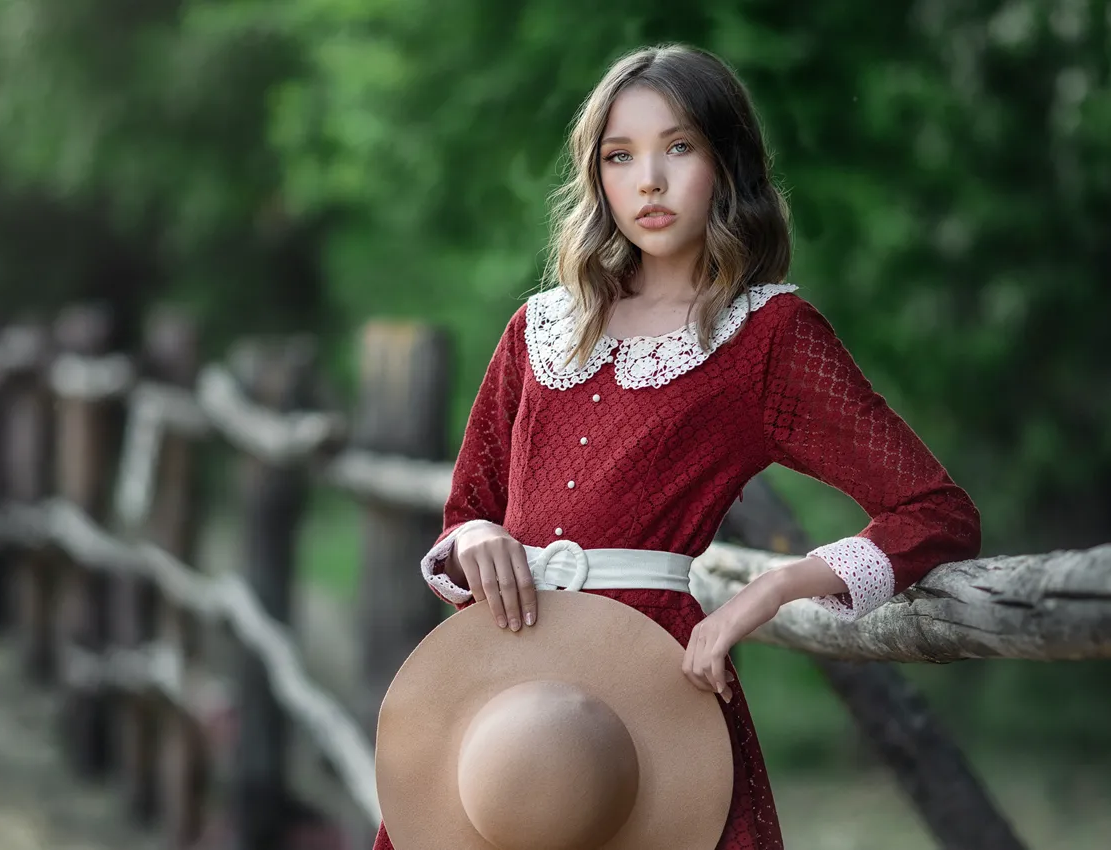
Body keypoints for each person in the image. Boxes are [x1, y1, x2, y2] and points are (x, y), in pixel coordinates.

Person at [371, 43, 981, 850]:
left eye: (679, 147)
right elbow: (464, 518)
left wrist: (773, 590)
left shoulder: (768, 336)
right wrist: (477, 535)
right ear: (597, 178)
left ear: (727, 163)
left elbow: (935, 512)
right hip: (505, 696)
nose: (649, 181)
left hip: (654, 695)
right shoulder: (538, 328)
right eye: (620, 156)